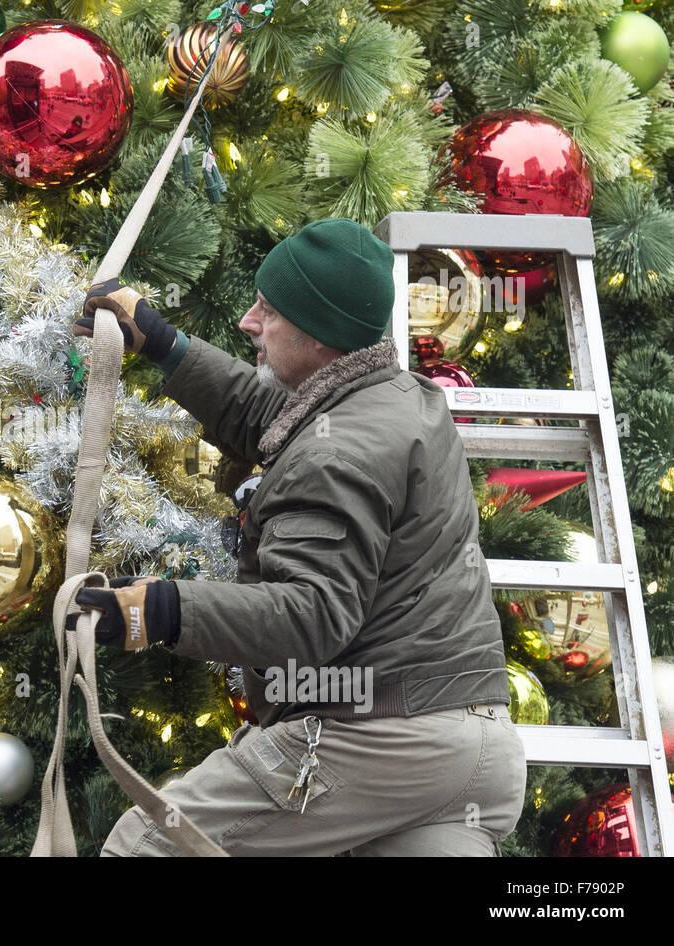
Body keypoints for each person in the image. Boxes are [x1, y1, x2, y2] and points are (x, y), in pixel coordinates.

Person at [69, 218, 526, 856]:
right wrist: (166, 345)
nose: (249, 322)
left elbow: (311, 616)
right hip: (472, 754)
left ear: (318, 337)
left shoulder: (335, 456)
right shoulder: (396, 397)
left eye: (270, 312)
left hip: (376, 739)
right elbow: (278, 422)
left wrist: (154, 610)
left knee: (149, 844)